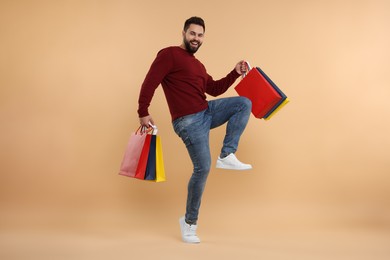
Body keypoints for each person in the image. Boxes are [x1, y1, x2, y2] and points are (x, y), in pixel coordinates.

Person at [137, 16, 252, 243]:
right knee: (203, 168)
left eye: (200, 35)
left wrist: (235, 72)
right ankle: (189, 223)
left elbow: (215, 89)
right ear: (183, 33)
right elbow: (150, 81)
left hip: (206, 111)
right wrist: (143, 111)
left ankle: (227, 153)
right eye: (192, 34)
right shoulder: (168, 55)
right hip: (188, 121)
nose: (196, 38)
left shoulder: (198, 66)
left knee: (243, 103)